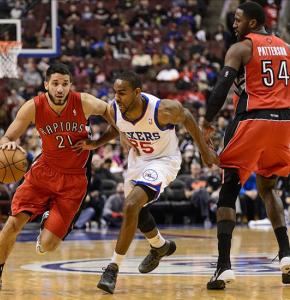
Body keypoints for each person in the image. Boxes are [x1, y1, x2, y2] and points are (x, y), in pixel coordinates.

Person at [72, 70, 219, 294]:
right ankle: (160, 246)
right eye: (115, 92)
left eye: (122, 93)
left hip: (163, 161)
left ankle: (112, 268)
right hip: (137, 160)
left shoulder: (162, 110)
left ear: (137, 92)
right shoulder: (115, 109)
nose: (116, 97)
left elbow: (187, 116)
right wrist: (96, 144)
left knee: (131, 205)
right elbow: (118, 127)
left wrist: (204, 150)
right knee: (136, 212)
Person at [0, 63, 127, 292]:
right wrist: (9, 144)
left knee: (48, 245)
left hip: (74, 179)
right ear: (46, 85)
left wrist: (109, 137)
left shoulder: (83, 101)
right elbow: (5, 138)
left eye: (65, 84)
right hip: (44, 171)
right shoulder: (33, 107)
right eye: (55, 84)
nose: (60, 89)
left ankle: (47, 218)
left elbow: (108, 110)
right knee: (13, 223)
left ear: (70, 85)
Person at [202, 2, 290, 290]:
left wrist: (207, 122)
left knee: (228, 190)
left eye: (238, 20)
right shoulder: (286, 48)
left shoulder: (241, 48)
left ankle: (223, 267)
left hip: (253, 120)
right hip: (283, 124)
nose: (234, 25)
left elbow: (220, 90)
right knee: (268, 188)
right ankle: (287, 256)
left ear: (252, 23)